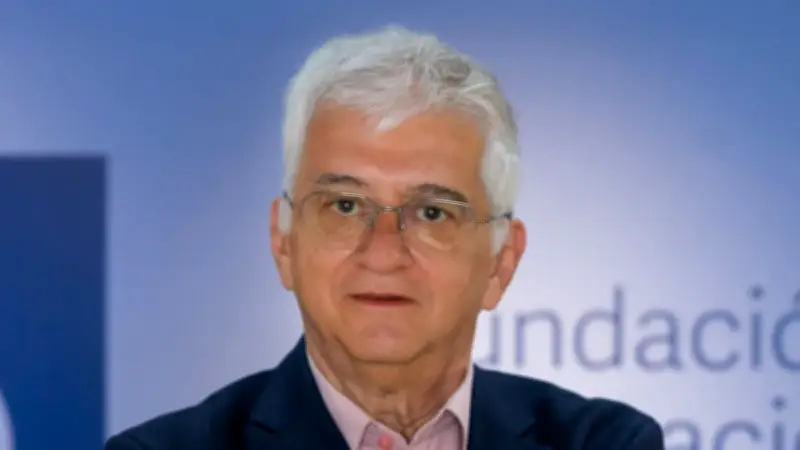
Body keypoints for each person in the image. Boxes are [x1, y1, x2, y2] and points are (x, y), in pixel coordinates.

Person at [106, 26, 664, 450]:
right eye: (345, 206)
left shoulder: (604, 443)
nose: (383, 252)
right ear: (284, 244)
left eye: (432, 213)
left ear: (501, 262)